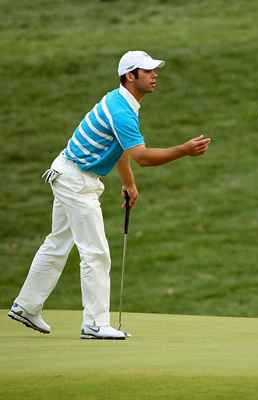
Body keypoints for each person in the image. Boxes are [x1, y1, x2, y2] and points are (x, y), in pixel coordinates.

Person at [8, 51, 212, 340]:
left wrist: (129, 184)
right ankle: (94, 323)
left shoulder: (121, 102)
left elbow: (120, 151)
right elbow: (141, 156)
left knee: (57, 243)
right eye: (148, 71)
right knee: (96, 252)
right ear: (131, 76)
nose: (155, 75)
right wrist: (184, 150)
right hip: (76, 180)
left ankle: (26, 306)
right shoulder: (121, 110)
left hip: (69, 172)